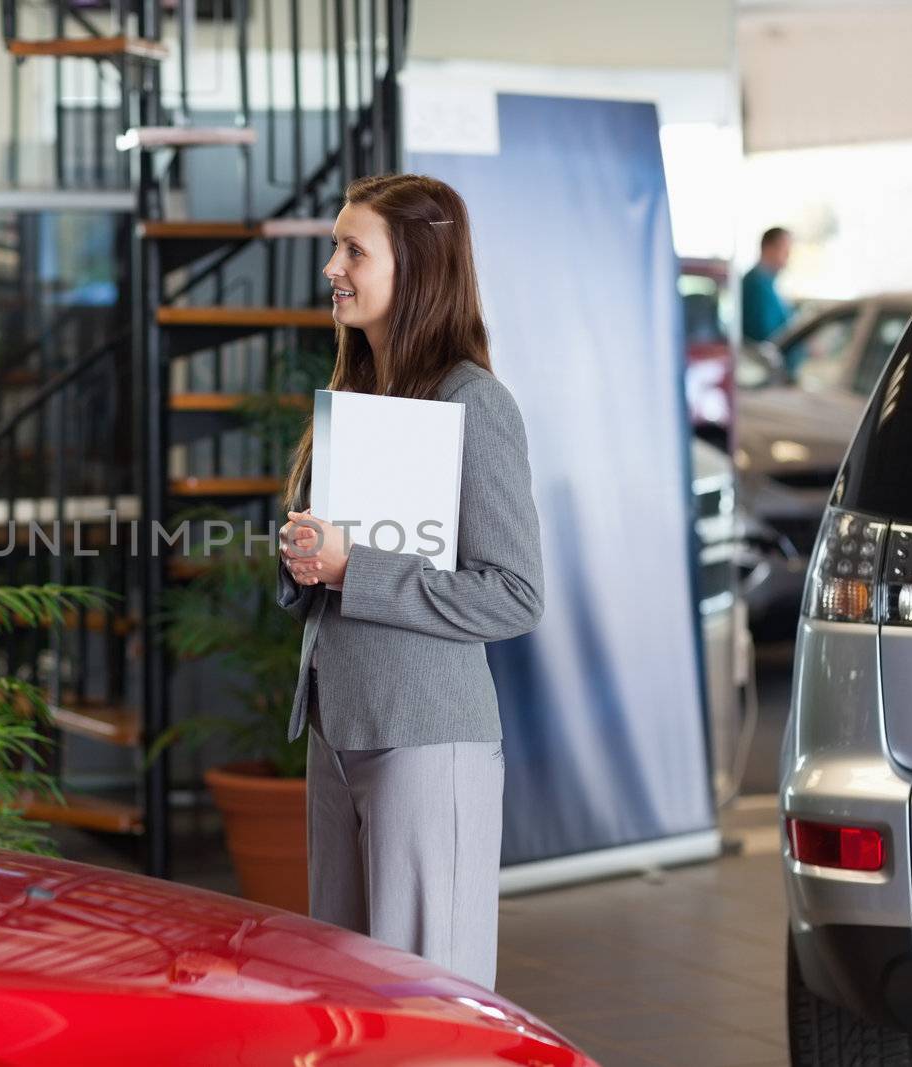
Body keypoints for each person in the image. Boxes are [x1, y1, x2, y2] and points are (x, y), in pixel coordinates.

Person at [276, 173, 543, 988]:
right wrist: (302, 553)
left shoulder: (476, 403)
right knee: (352, 995)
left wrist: (356, 563)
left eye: (353, 249)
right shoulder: (358, 393)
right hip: (339, 729)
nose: (332, 267)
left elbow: (514, 593)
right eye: (335, 247)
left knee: (429, 1003)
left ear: (417, 267)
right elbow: (330, 567)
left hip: (425, 742)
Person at [742, 226, 793, 358]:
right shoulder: (755, 285)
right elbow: (768, 337)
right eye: (785, 251)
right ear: (769, 249)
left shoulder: (768, 283)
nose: (788, 257)